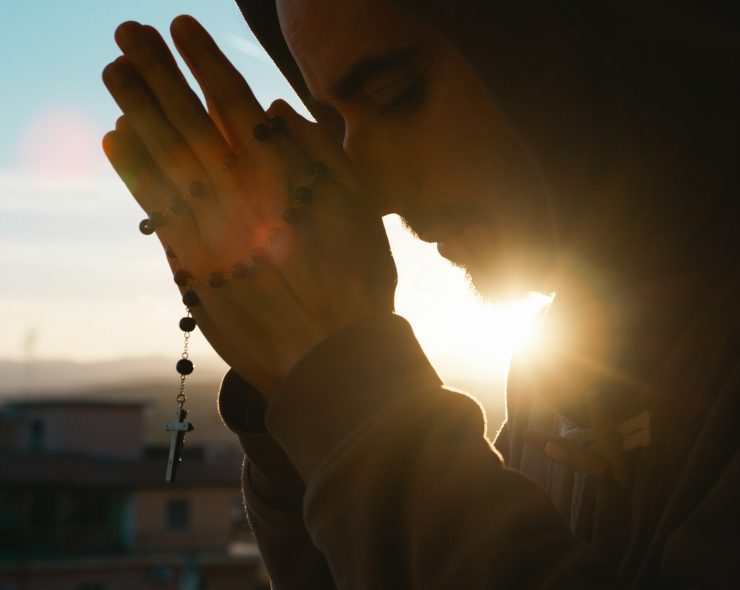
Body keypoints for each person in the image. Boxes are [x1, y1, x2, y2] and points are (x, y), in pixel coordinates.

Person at [102, 1, 740, 588]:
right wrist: (296, 403)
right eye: (335, 120)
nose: (373, 191)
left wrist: (350, 391)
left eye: (396, 95)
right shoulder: (554, 374)